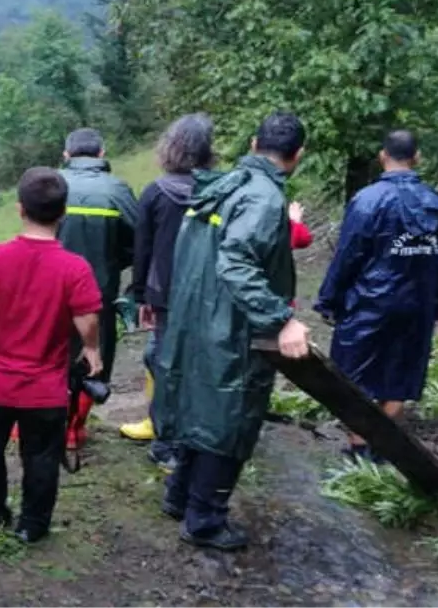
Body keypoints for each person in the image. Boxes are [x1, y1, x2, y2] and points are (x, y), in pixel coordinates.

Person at [155, 112, 312, 552]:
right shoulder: (262, 199)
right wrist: (282, 318)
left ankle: (180, 496)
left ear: (252, 143)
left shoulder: (222, 186)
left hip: (195, 318)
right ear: (297, 156)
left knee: (200, 409)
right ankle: (204, 518)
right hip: (231, 327)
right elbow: (237, 262)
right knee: (229, 417)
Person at [0, 167, 105, 544]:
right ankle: (32, 525)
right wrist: (91, 349)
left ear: (20, 209)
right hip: (44, 388)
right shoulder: (74, 268)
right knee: (41, 457)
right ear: (63, 213)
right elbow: (87, 320)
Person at [315, 131, 438, 462]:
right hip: (417, 305)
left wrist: (330, 299)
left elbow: (348, 254)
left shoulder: (368, 200)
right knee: (402, 373)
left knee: (352, 375)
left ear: (383, 156)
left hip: (370, 302)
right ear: (417, 157)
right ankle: (380, 444)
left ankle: (358, 445)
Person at [121, 114, 217, 471]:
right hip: (208, 294)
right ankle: (193, 434)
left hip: (166, 295)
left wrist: (142, 296)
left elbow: (142, 250)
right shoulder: (218, 191)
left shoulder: (155, 193)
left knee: (165, 363)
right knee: (198, 363)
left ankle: (165, 444)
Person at [56, 128, 139, 452]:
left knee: (50, 352)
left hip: (51, 289)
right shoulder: (118, 190)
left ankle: (42, 423)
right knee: (93, 357)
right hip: (98, 290)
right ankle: (74, 430)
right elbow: (137, 242)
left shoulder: (53, 185)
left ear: (66, 155)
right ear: (102, 154)